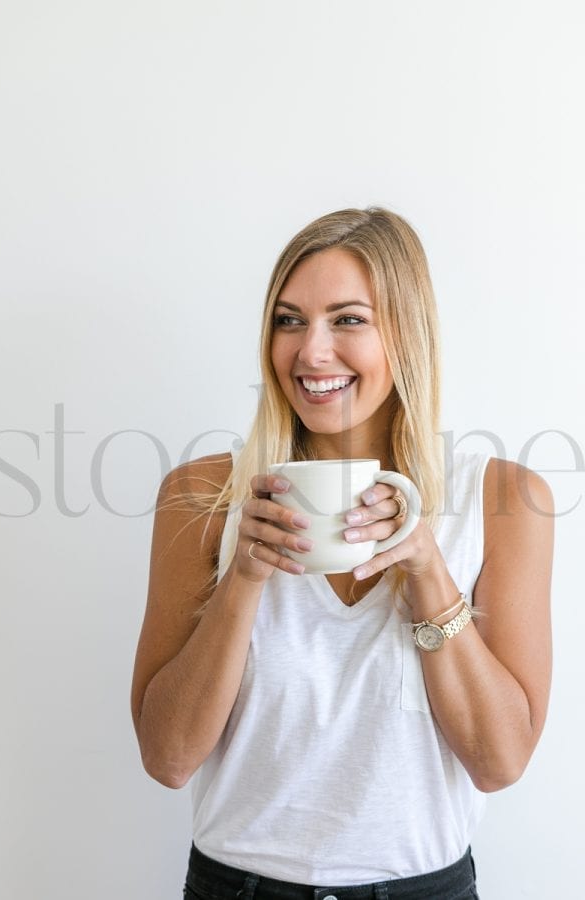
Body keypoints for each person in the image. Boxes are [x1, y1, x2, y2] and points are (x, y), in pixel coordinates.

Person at [131, 207, 554, 900]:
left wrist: (427, 571)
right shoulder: (203, 494)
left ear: (406, 332)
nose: (311, 352)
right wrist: (245, 574)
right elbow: (169, 757)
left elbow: (499, 761)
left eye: (348, 319)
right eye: (289, 320)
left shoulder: (504, 498)